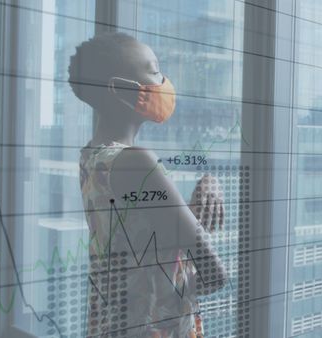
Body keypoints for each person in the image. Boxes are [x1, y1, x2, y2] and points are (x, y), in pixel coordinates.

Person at [69, 32, 226, 338]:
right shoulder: (138, 162)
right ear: (119, 89)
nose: (163, 82)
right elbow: (214, 274)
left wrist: (203, 188)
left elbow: (148, 232)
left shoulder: (92, 158)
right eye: (154, 71)